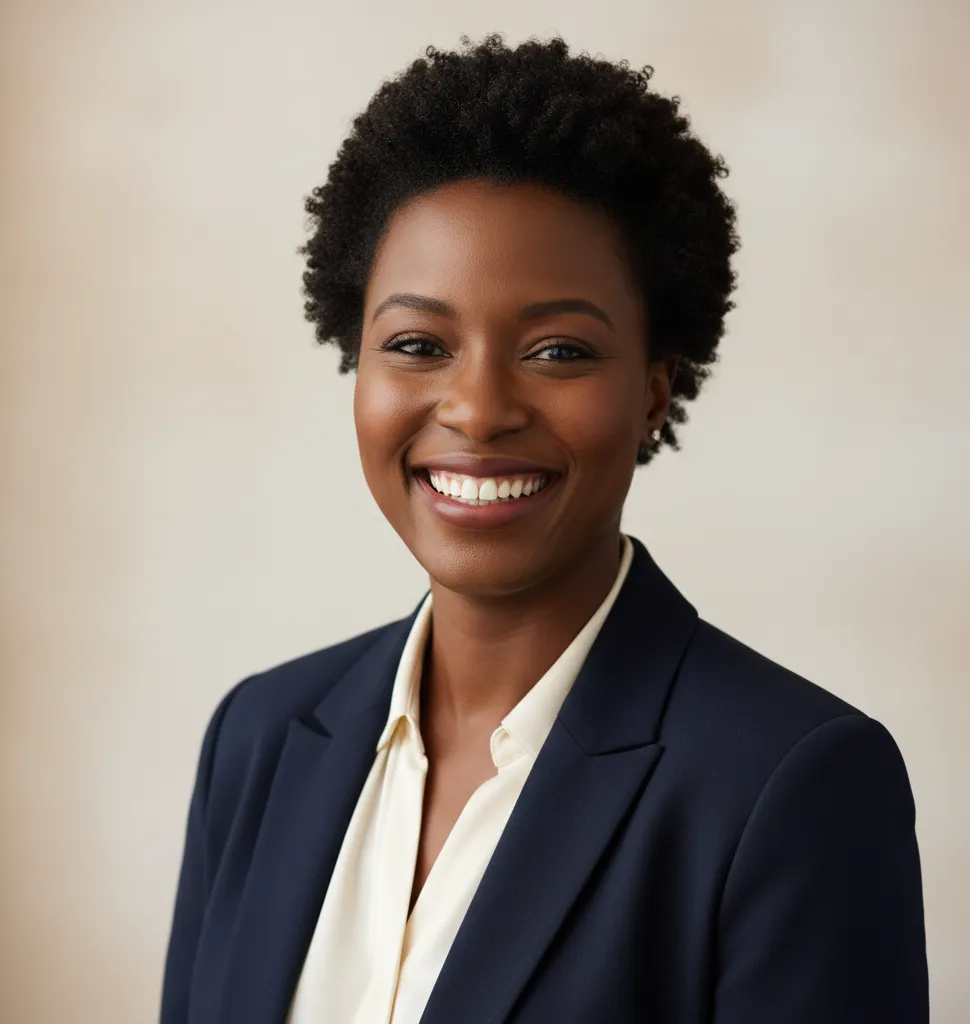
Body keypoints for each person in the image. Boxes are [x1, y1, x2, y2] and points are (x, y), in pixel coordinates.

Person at [160, 32, 928, 1024]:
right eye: (417, 343)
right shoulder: (260, 739)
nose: (478, 410)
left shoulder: (791, 786)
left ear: (653, 389)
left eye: (558, 350)